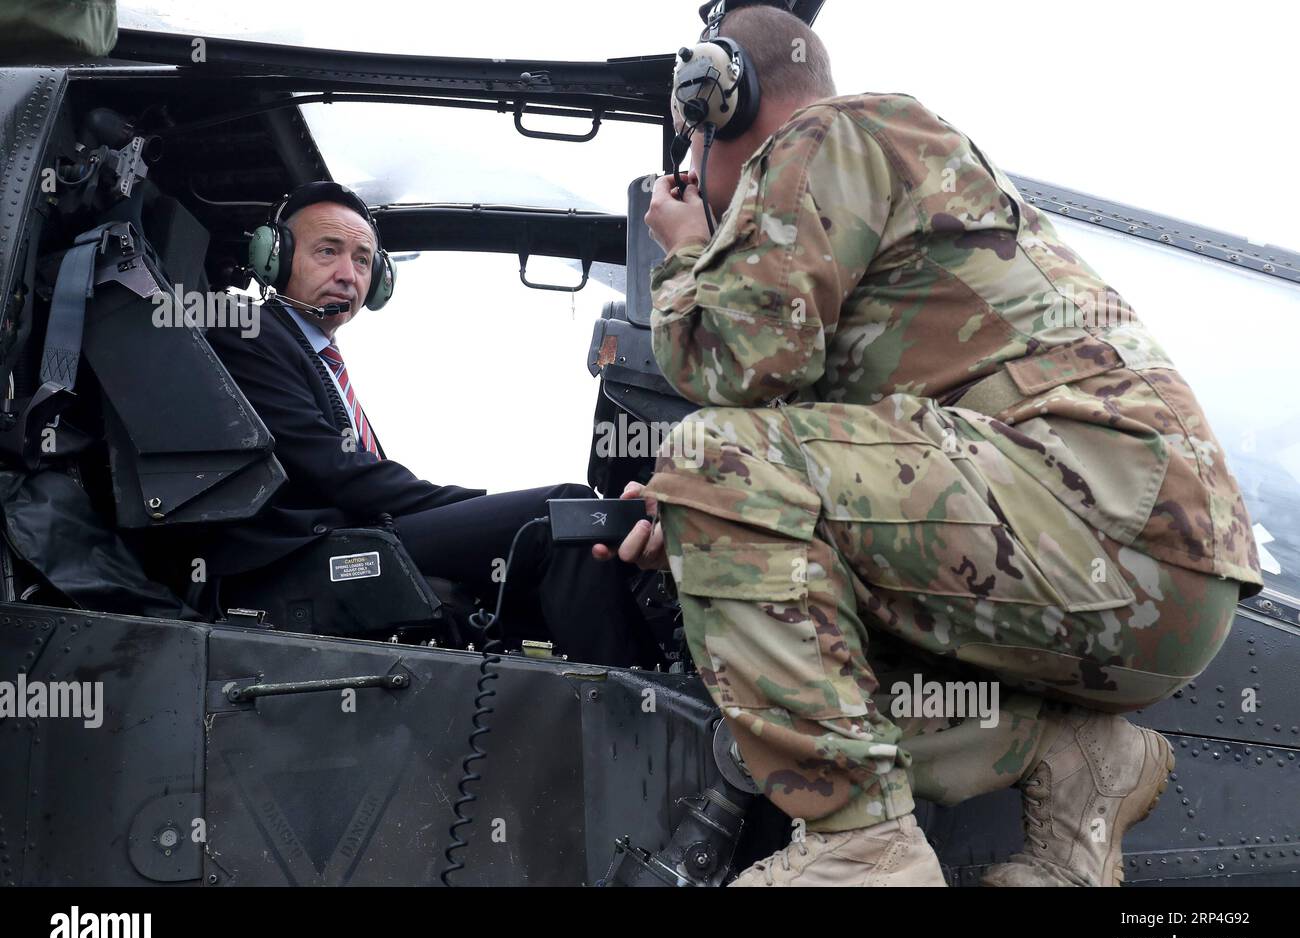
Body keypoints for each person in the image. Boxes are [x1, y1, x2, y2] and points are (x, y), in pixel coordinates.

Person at [595, 3, 1262, 885]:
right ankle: (1071, 761)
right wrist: (689, 519)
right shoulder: (894, 184)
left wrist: (683, 255)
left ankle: (862, 847)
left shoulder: (829, 133)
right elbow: (816, 449)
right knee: (746, 528)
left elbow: (732, 361)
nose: (698, 189)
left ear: (722, 99)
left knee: (716, 456)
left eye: (692, 161)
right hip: (1151, 569)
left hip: (1102, 519)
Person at [203, 181, 657, 668]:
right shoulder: (249, 331)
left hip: (351, 535)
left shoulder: (314, 355)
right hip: (302, 556)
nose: (347, 273)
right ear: (277, 257)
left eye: (362, 260)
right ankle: (652, 698)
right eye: (327, 252)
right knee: (564, 511)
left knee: (559, 536)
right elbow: (336, 470)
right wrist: (480, 509)